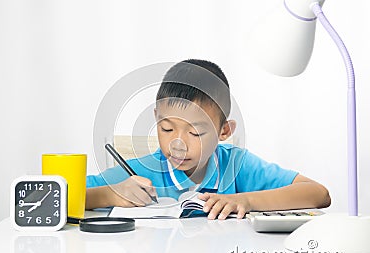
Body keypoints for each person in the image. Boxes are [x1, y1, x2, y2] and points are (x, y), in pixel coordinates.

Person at [86, 59, 331, 220]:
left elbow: (318, 194)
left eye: (195, 133)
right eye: (167, 129)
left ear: (224, 131)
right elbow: (57, 195)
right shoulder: (141, 172)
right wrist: (109, 194)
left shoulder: (236, 165)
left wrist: (245, 200)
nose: (178, 144)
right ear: (155, 119)